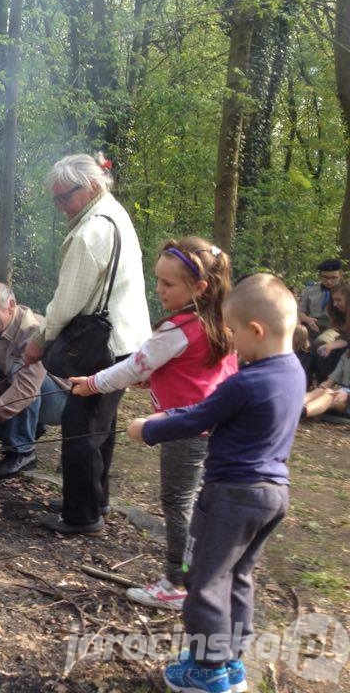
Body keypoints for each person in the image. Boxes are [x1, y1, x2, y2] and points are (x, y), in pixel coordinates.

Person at [127, 274, 304, 693]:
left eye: (234, 332)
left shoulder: (245, 381)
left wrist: (147, 429)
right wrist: (170, 416)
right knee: (239, 575)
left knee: (204, 579)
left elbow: (198, 418)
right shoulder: (294, 372)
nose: (231, 341)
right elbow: (209, 409)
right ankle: (230, 661)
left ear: (256, 330)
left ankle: (207, 674)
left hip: (231, 496)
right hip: (273, 495)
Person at [68, 237, 237, 610]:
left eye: (168, 284)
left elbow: (133, 366)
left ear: (200, 287)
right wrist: (156, 378)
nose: (158, 290)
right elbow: (197, 371)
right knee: (198, 503)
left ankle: (177, 584)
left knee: (177, 503)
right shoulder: (217, 323)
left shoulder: (176, 329)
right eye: (157, 280)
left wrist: (91, 384)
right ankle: (203, 576)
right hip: (218, 427)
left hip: (186, 429)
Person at [22, 153, 151, 535]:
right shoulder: (116, 214)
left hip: (102, 344)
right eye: (56, 200)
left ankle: (82, 517)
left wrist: (40, 341)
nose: (61, 207)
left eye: (65, 197)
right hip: (125, 339)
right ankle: (96, 500)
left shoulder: (91, 231)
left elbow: (67, 300)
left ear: (92, 186)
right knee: (101, 427)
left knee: (80, 428)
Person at [0, 283, 67, 478]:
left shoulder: (34, 330)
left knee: (22, 372)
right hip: (21, 386)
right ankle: (30, 430)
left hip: (61, 400)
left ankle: (22, 452)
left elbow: (27, 390)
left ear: (11, 305)